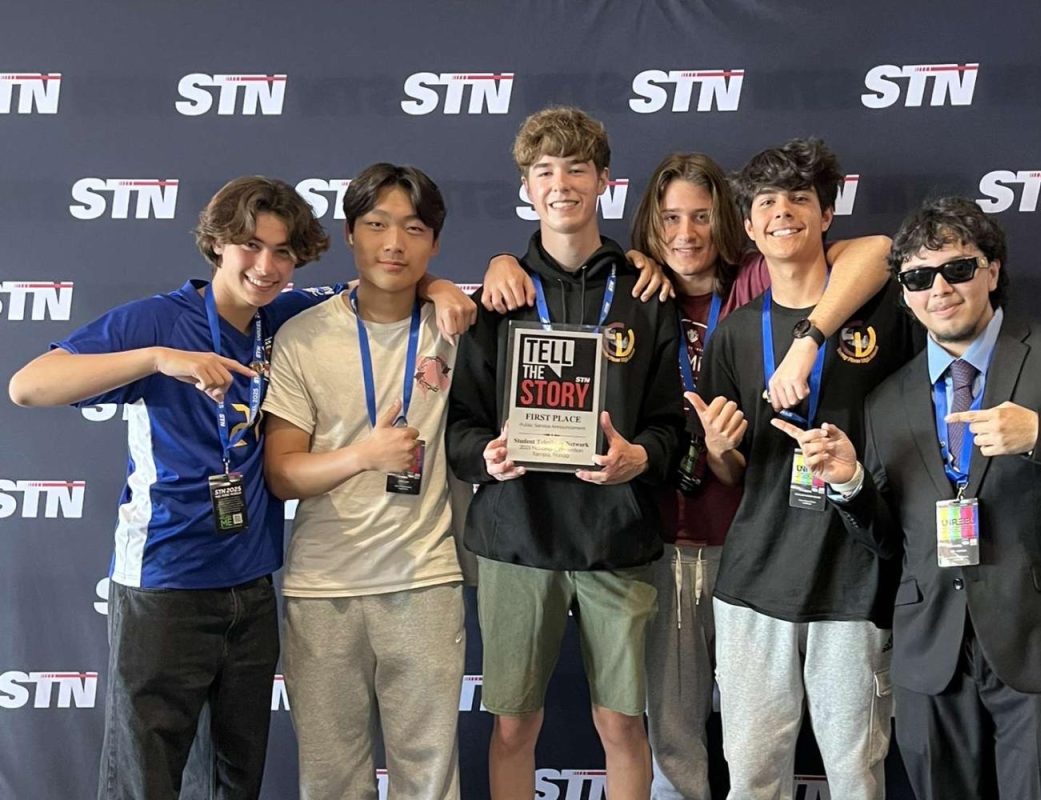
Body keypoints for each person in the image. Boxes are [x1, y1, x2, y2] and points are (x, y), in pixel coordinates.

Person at [6, 176, 475, 800]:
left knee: (233, 777)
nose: (266, 265)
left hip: (250, 586)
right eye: (251, 246)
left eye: (282, 252)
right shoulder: (158, 319)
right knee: (144, 771)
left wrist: (443, 286)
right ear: (218, 245)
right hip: (164, 580)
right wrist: (155, 359)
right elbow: (29, 386)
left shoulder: (283, 316)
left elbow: (384, 280)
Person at [796, 196, 1041, 800]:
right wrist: (850, 484)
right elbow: (889, 540)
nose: (939, 288)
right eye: (919, 277)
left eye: (958, 269)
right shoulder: (886, 400)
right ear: (904, 293)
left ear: (993, 270)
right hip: (932, 655)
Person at [621, 151, 892, 800]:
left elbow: (879, 249)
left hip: (761, 548)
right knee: (682, 743)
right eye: (670, 220)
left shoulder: (752, 285)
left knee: (837, 760)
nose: (686, 233)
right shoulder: (634, 293)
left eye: (701, 217)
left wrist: (807, 339)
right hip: (667, 544)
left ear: (728, 223)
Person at [445, 106, 684, 800]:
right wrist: (483, 458)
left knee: (621, 724)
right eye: (544, 170)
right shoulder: (500, 294)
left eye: (576, 167)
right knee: (515, 727)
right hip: (518, 534)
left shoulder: (645, 291)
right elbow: (460, 423)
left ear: (604, 179)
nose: (561, 183)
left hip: (617, 537)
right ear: (526, 185)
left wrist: (640, 457)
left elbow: (672, 423)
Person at [262, 163, 466, 799]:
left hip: (426, 580)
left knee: (428, 775)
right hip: (323, 587)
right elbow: (282, 472)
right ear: (350, 234)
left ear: (433, 242)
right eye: (376, 225)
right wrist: (362, 455)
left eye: (412, 228)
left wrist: (446, 289)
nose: (393, 244)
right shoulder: (302, 336)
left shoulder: (457, 325)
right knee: (330, 779)